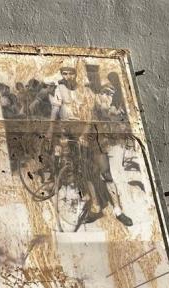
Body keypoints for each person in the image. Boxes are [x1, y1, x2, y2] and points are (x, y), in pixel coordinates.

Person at [47, 61, 133, 228]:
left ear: (75, 74)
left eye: (70, 73)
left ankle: (118, 210)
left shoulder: (85, 91)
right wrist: (51, 129)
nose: (67, 76)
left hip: (91, 134)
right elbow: (55, 110)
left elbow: (90, 116)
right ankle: (95, 206)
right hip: (72, 134)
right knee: (85, 172)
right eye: (64, 73)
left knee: (105, 172)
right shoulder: (60, 90)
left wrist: (84, 134)